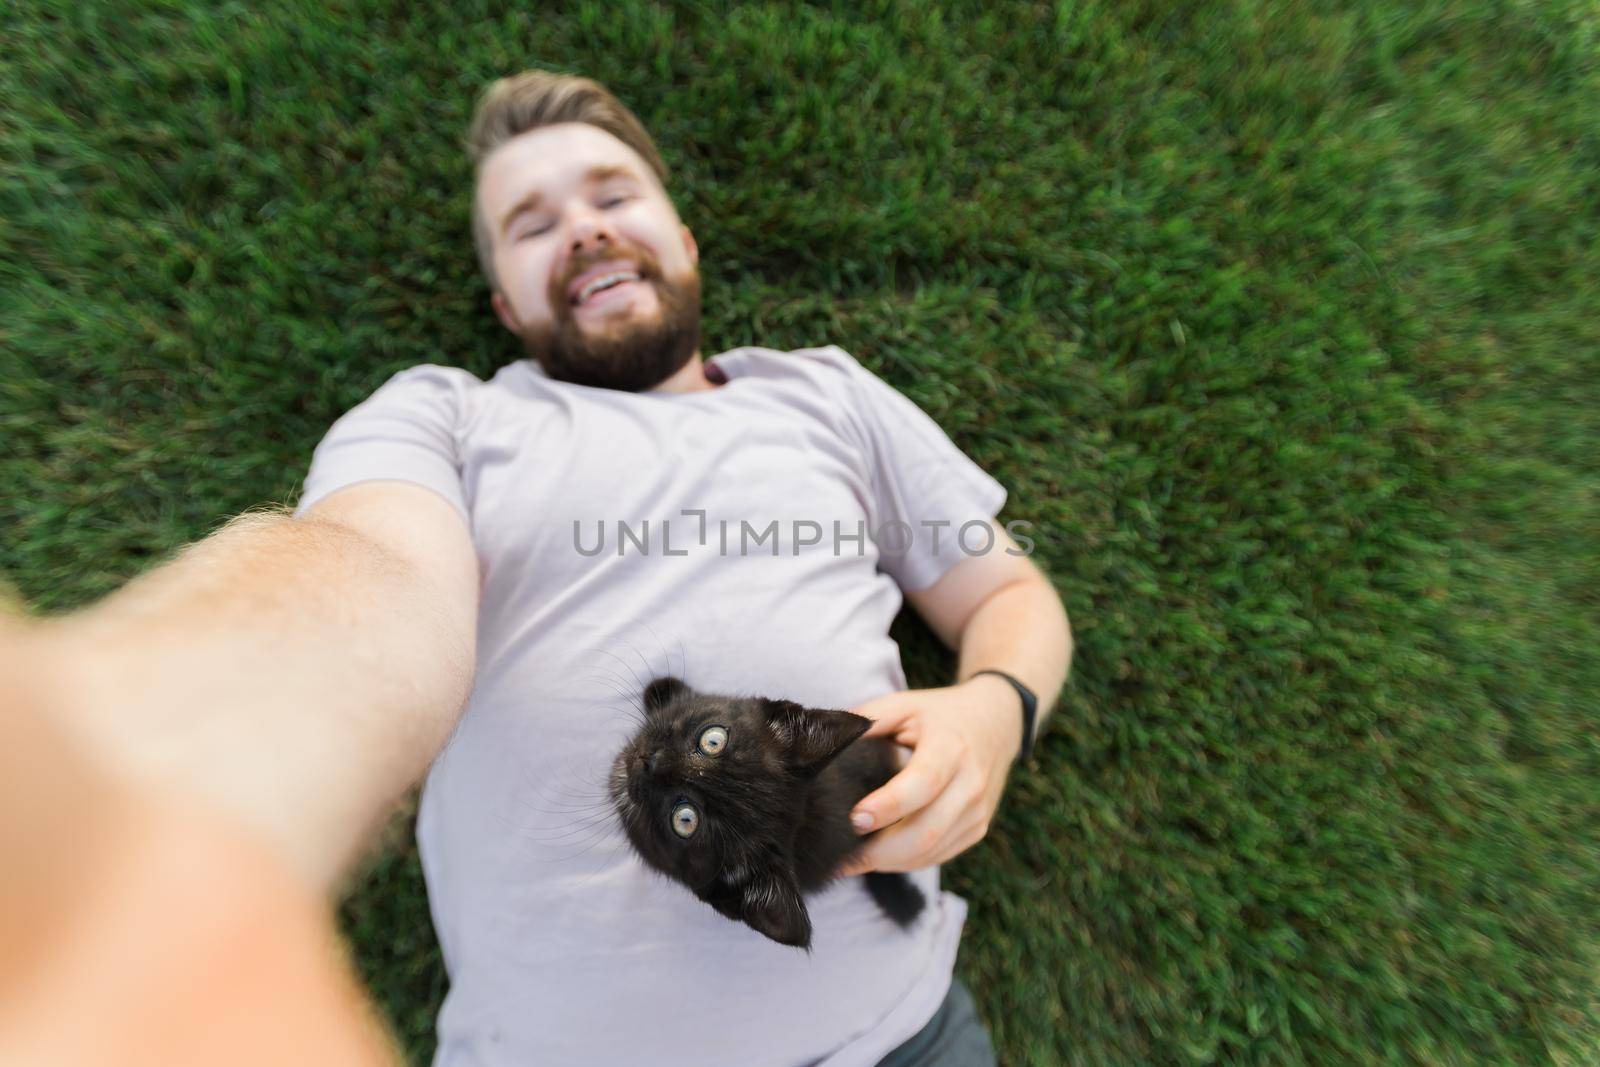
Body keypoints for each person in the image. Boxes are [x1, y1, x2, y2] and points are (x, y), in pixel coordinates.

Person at [30, 70, 1072, 1066]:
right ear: (504, 306)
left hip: (899, 1037)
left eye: (614, 194)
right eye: (533, 223)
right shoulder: (446, 417)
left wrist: (995, 708)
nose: (582, 226)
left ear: (685, 238)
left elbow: (1008, 589)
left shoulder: (829, 399)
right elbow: (372, 568)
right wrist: (146, 756)